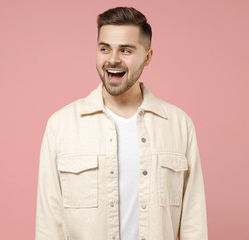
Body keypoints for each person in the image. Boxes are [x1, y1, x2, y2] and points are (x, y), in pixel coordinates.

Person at [35, 6, 208, 240]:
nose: (113, 59)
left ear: (147, 57)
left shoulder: (179, 125)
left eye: (126, 50)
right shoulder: (61, 126)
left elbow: (193, 223)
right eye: (104, 48)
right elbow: (49, 224)